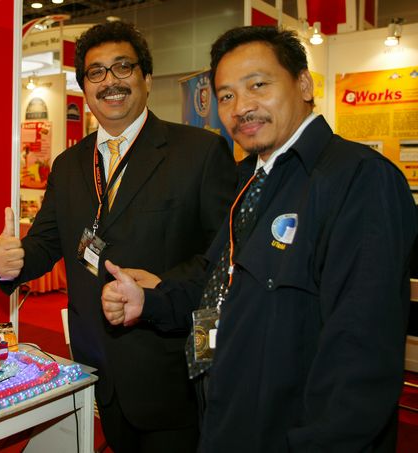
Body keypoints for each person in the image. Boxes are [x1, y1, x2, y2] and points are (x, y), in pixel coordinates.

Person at [101, 25, 418, 452]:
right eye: (226, 95)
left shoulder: (358, 179)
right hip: (229, 418)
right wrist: (150, 302)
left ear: (303, 84)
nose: (242, 107)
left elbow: (361, 355)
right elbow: (218, 281)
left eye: (258, 85)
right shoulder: (250, 178)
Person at [0, 21, 236, 453]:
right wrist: (5, 263)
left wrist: (158, 293)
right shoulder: (69, 165)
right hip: (97, 368)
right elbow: (45, 244)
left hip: (170, 373)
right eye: (96, 72)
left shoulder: (199, 152)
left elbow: (222, 259)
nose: (110, 82)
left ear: (146, 77)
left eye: (123, 67)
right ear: (84, 86)